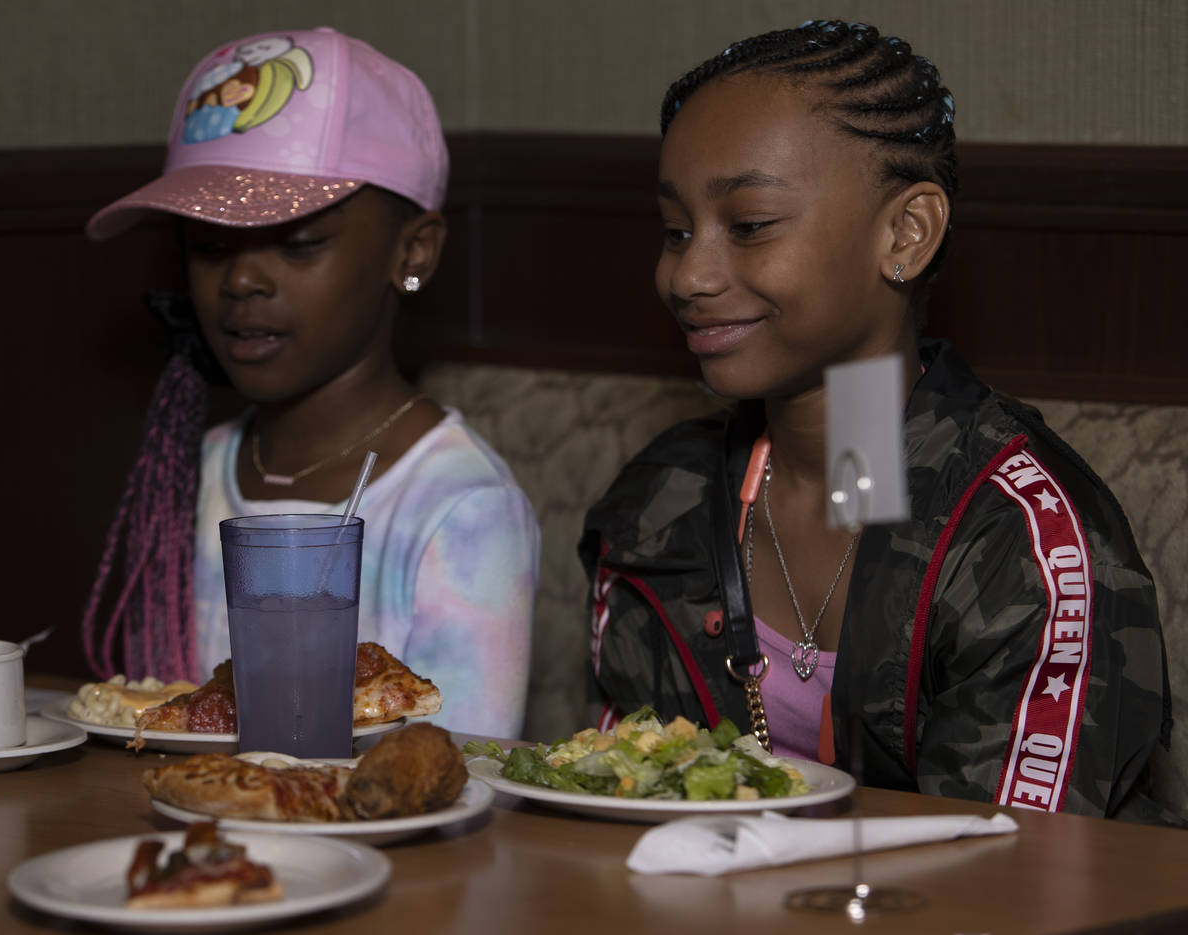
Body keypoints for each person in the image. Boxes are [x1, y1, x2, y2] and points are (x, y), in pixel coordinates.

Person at [580, 21, 1177, 821]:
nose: (687, 274)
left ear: (906, 232)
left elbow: (1006, 872)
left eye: (749, 224)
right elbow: (619, 811)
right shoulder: (660, 506)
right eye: (677, 230)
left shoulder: (1019, 542)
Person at [80, 27, 539, 738]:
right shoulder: (190, 471)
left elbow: (457, 777)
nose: (241, 279)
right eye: (207, 245)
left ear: (412, 250)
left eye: (298, 243)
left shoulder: (459, 507)